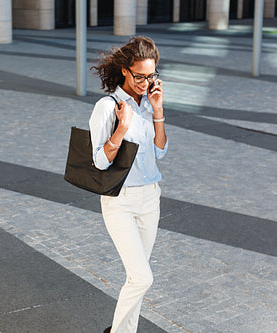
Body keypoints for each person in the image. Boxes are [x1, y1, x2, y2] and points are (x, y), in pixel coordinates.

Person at [89, 36, 168, 333]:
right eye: (140, 76)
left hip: (150, 199)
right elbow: (99, 161)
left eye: (152, 76)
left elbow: (160, 151)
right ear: (125, 69)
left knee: (137, 278)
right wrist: (121, 129)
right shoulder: (107, 107)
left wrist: (158, 113)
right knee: (142, 278)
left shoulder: (150, 104)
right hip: (119, 200)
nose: (146, 82)